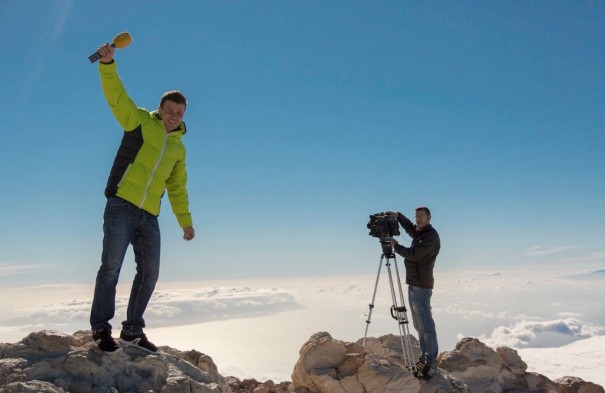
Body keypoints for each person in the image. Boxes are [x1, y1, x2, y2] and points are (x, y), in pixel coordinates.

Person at [89, 42, 195, 353]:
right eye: (170, 111)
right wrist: (108, 65)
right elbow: (117, 98)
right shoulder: (138, 122)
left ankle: (132, 331)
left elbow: (177, 187)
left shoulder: (178, 148)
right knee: (111, 266)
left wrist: (186, 222)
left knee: (150, 272)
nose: (174, 116)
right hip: (122, 205)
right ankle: (100, 329)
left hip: (149, 214)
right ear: (160, 109)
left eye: (179, 113)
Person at [387, 207, 440, 380]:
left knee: (426, 326)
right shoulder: (421, 233)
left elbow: (414, 255)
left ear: (429, 217)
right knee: (419, 325)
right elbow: (410, 228)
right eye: (416, 216)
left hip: (422, 287)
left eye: (421, 216)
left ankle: (431, 361)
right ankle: (425, 358)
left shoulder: (430, 237)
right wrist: (399, 217)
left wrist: (395, 246)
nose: (418, 219)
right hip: (414, 284)